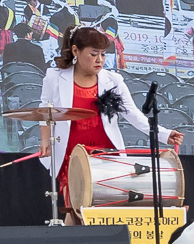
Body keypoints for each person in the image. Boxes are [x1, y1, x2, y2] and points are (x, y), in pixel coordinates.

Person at [33, 26, 156, 213]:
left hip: (106, 153)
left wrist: (164, 134)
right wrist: (44, 141)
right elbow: (45, 109)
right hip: (71, 154)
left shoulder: (114, 80)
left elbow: (132, 113)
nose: (100, 60)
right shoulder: (54, 77)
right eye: (93, 54)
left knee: (106, 208)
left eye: (103, 55)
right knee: (75, 209)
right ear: (76, 51)